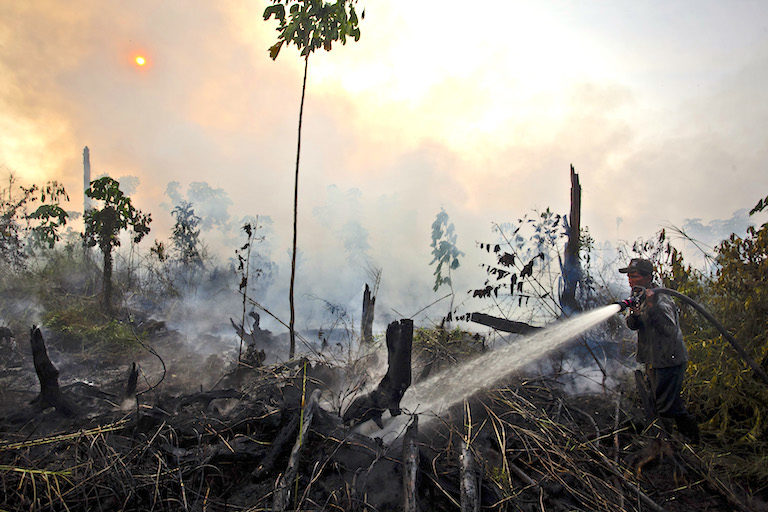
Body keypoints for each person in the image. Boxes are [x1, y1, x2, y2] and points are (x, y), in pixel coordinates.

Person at [620, 258, 700, 443]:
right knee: (662, 403)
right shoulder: (640, 296)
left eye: (634, 276)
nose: (630, 280)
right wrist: (634, 313)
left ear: (648, 277)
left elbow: (669, 329)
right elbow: (634, 325)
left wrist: (652, 306)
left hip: (669, 361)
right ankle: (672, 441)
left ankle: (685, 442)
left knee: (667, 407)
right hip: (655, 360)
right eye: (629, 276)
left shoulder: (660, 298)